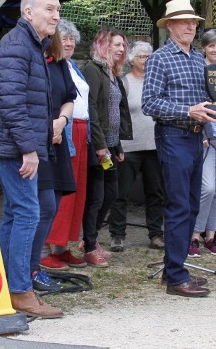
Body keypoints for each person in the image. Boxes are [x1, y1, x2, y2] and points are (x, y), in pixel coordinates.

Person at [0, 0, 63, 318]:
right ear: (28, 12)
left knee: (17, 212)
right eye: (49, 9)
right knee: (28, 212)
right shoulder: (17, 46)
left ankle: (3, 286)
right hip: (15, 148)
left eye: (57, 9)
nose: (56, 15)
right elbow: (12, 105)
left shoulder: (29, 44)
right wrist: (29, 149)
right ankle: (19, 291)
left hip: (16, 145)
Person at [142, 0, 216, 297]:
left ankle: (178, 269)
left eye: (194, 22)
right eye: (184, 21)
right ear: (170, 25)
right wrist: (189, 112)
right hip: (173, 136)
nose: (190, 26)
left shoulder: (199, 59)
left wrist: (210, 125)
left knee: (191, 205)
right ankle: (175, 277)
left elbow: (207, 100)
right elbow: (150, 103)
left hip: (196, 137)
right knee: (178, 206)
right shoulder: (160, 58)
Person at [29, 23, 77, 290]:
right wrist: (48, 127)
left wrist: (61, 121)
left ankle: (32, 268)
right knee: (43, 206)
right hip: (33, 142)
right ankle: (29, 269)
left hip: (57, 141)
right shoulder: (27, 58)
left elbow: (70, 98)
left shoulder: (58, 62)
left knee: (53, 204)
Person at [81, 28, 132, 267]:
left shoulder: (113, 74)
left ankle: (89, 240)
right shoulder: (92, 70)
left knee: (110, 195)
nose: (122, 49)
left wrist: (117, 144)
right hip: (96, 146)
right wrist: (100, 145)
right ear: (103, 45)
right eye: (117, 45)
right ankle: (90, 246)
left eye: (123, 45)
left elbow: (115, 113)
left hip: (110, 146)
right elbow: (91, 109)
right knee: (96, 197)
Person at [109, 41, 166, 252]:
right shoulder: (123, 83)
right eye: (142, 57)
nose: (146, 60)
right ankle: (117, 235)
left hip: (154, 146)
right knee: (120, 192)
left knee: (156, 193)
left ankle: (156, 234)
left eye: (149, 57)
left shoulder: (158, 82)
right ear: (132, 60)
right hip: (129, 146)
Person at [43, 19, 90, 269]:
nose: (69, 42)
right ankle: (50, 246)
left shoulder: (71, 66)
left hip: (81, 131)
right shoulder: (51, 64)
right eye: (64, 38)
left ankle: (63, 246)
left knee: (76, 192)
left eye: (72, 38)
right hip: (65, 131)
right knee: (62, 191)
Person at [189, 28, 216, 258]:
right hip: (205, 137)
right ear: (204, 47)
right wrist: (202, 133)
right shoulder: (198, 69)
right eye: (212, 45)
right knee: (207, 188)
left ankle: (211, 236)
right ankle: (194, 235)